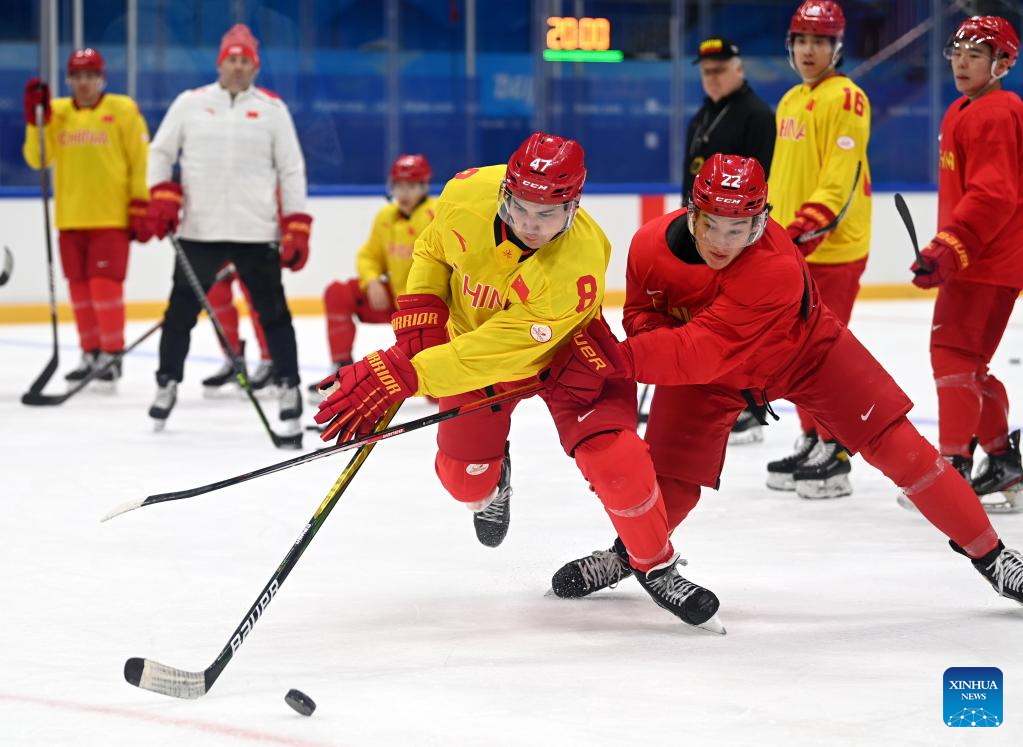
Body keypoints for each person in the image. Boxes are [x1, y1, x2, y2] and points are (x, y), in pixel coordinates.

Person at [544, 153, 1023, 611]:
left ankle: (992, 556)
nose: (723, 241)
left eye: (741, 228)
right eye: (712, 223)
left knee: (906, 452)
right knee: (673, 484)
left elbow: (703, 348)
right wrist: (641, 341)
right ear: (692, 211)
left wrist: (619, 360)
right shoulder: (649, 245)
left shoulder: (773, 266)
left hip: (808, 355)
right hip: (706, 378)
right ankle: (629, 554)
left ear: (761, 221)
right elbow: (644, 312)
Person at [312, 132, 722, 631]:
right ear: (506, 191)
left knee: (617, 461)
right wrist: (422, 303)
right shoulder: (466, 194)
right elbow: (432, 248)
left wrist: (403, 372)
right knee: (464, 482)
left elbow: (500, 352)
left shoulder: (580, 262)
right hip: (472, 349)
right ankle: (494, 479)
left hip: (568, 356)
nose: (530, 224)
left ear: (573, 206)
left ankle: (656, 564)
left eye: (547, 214)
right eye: (520, 208)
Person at [145, 23, 311, 434]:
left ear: (254, 66)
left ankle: (289, 384)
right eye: (231, 59)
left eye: (245, 60)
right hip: (198, 229)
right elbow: (160, 152)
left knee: (274, 313)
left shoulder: (273, 110)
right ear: (221, 63)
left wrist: (295, 225)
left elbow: (291, 170)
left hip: (256, 231)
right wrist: (162, 195)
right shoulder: (191, 103)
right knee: (180, 312)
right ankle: (166, 383)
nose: (237, 66)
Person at [909, 16, 1023, 513]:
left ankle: (951, 469)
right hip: (986, 260)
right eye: (956, 51)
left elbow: (994, 195)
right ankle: (1001, 461)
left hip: (986, 261)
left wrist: (951, 245)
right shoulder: (964, 109)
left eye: (974, 54)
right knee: (968, 363)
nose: (960, 61)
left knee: (952, 356)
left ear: (1001, 63)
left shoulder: (994, 113)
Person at [767, 0, 873, 499]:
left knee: (822, 353)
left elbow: (840, 179)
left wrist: (808, 225)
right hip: (793, 248)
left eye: (820, 42)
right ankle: (812, 436)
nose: (810, 50)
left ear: (837, 47)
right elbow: (782, 177)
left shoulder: (847, 99)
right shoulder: (789, 101)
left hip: (829, 249)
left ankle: (837, 450)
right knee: (796, 350)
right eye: (802, 41)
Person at [22, 48, 151, 386]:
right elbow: (38, 159)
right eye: (77, 76)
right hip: (70, 217)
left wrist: (140, 203)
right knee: (79, 291)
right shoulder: (58, 112)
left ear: (101, 78)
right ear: (69, 80)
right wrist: (35, 120)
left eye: (90, 76)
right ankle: (89, 352)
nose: (84, 83)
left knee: (104, 290)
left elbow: (140, 159)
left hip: (110, 217)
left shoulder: (122, 109)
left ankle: (111, 355)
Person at [684, 36, 776, 445]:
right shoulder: (703, 116)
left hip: (735, 237)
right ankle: (719, 397)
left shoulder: (756, 115)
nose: (713, 78)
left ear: (739, 69)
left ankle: (751, 405)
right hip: (701, 231)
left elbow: (762, 183)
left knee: (741, 322)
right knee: (707, 318)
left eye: (720, 70)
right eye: (706, 72)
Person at [311, 154, 436, 396]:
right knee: (338, 293)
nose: (404, 193)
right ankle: (342, 369)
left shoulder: (435, 215)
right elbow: (368, 255)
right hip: (394, 301)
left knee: (436, 391)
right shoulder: (386, 217)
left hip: (427, 310)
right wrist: (372, 281)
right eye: (399, 186)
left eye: (411, 186)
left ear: (423, 186)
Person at [201, 265, 275, 395]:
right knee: (215, 292)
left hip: (251, 247)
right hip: (218, 247)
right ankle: (235, 364)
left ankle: (271, 364)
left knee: (256, 294)